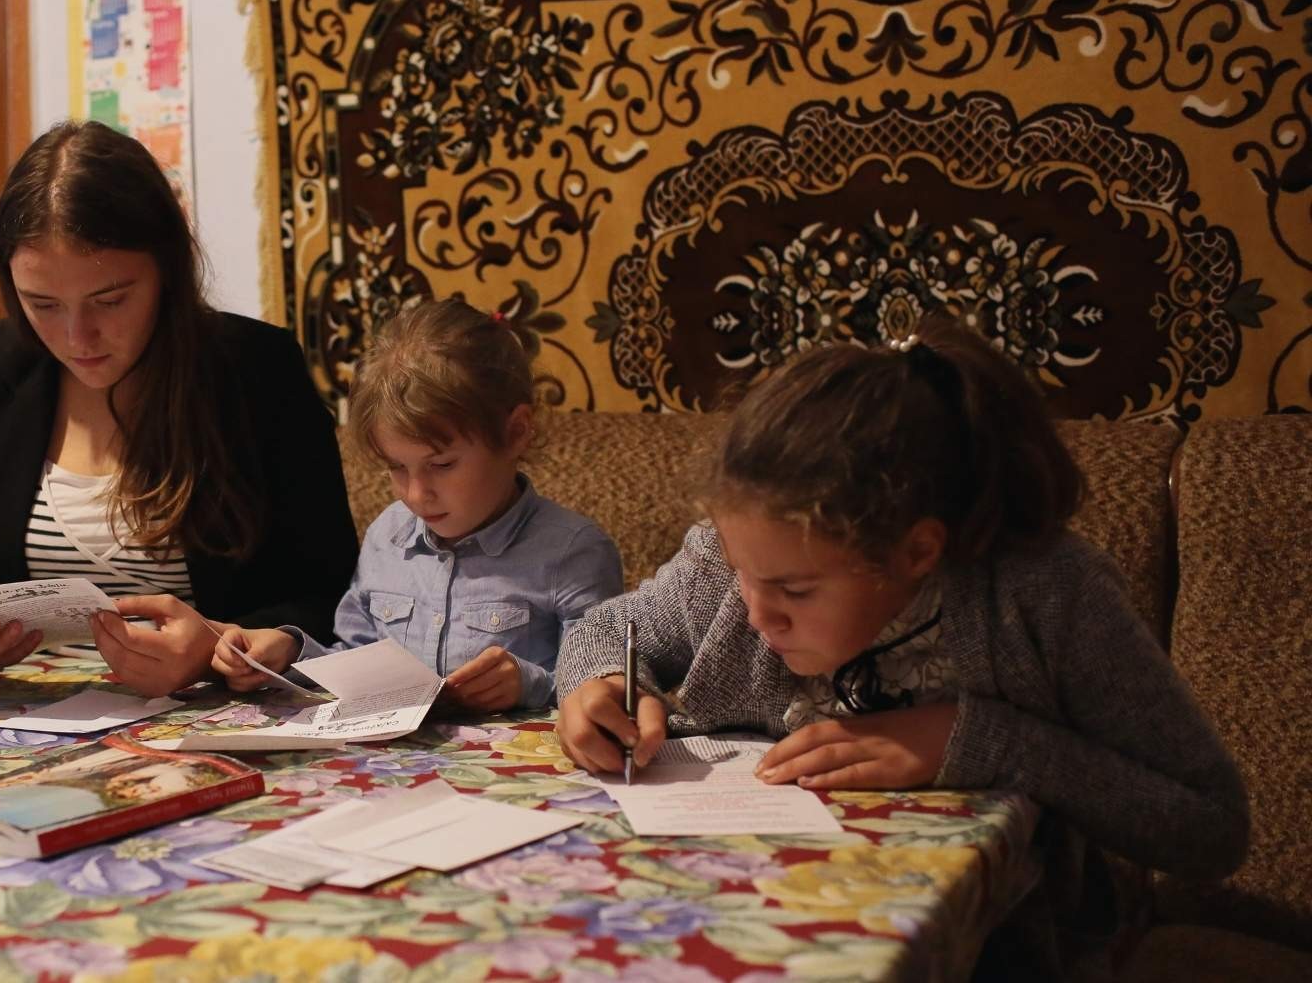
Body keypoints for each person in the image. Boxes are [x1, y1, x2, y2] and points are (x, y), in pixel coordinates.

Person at [554, 313, 1249, 884]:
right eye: (743, 574)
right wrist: (600, 681)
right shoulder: (732, 554)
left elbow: (1210, 829)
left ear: (917, 552)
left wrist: (974, 741)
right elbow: (607, 625)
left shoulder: (1045, 594)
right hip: (723, 893)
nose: (757, 615)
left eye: (795, 590)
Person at [0, 120, 357, 695]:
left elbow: (332, 589)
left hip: (208, 714)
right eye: (43, 304)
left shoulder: (256, 370)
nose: (78, 337)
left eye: (110, 300)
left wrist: (223, 644)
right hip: (28, 715)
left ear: (166, 270)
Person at [211, 299, 622, 711]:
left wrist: (529, 685)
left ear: (516, 433)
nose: (415, 493)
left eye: (441, 464)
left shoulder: (574, 552)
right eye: (396, 468)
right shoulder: (388, 535)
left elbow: (606, 690)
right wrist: (289, 651)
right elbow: (357, 659)